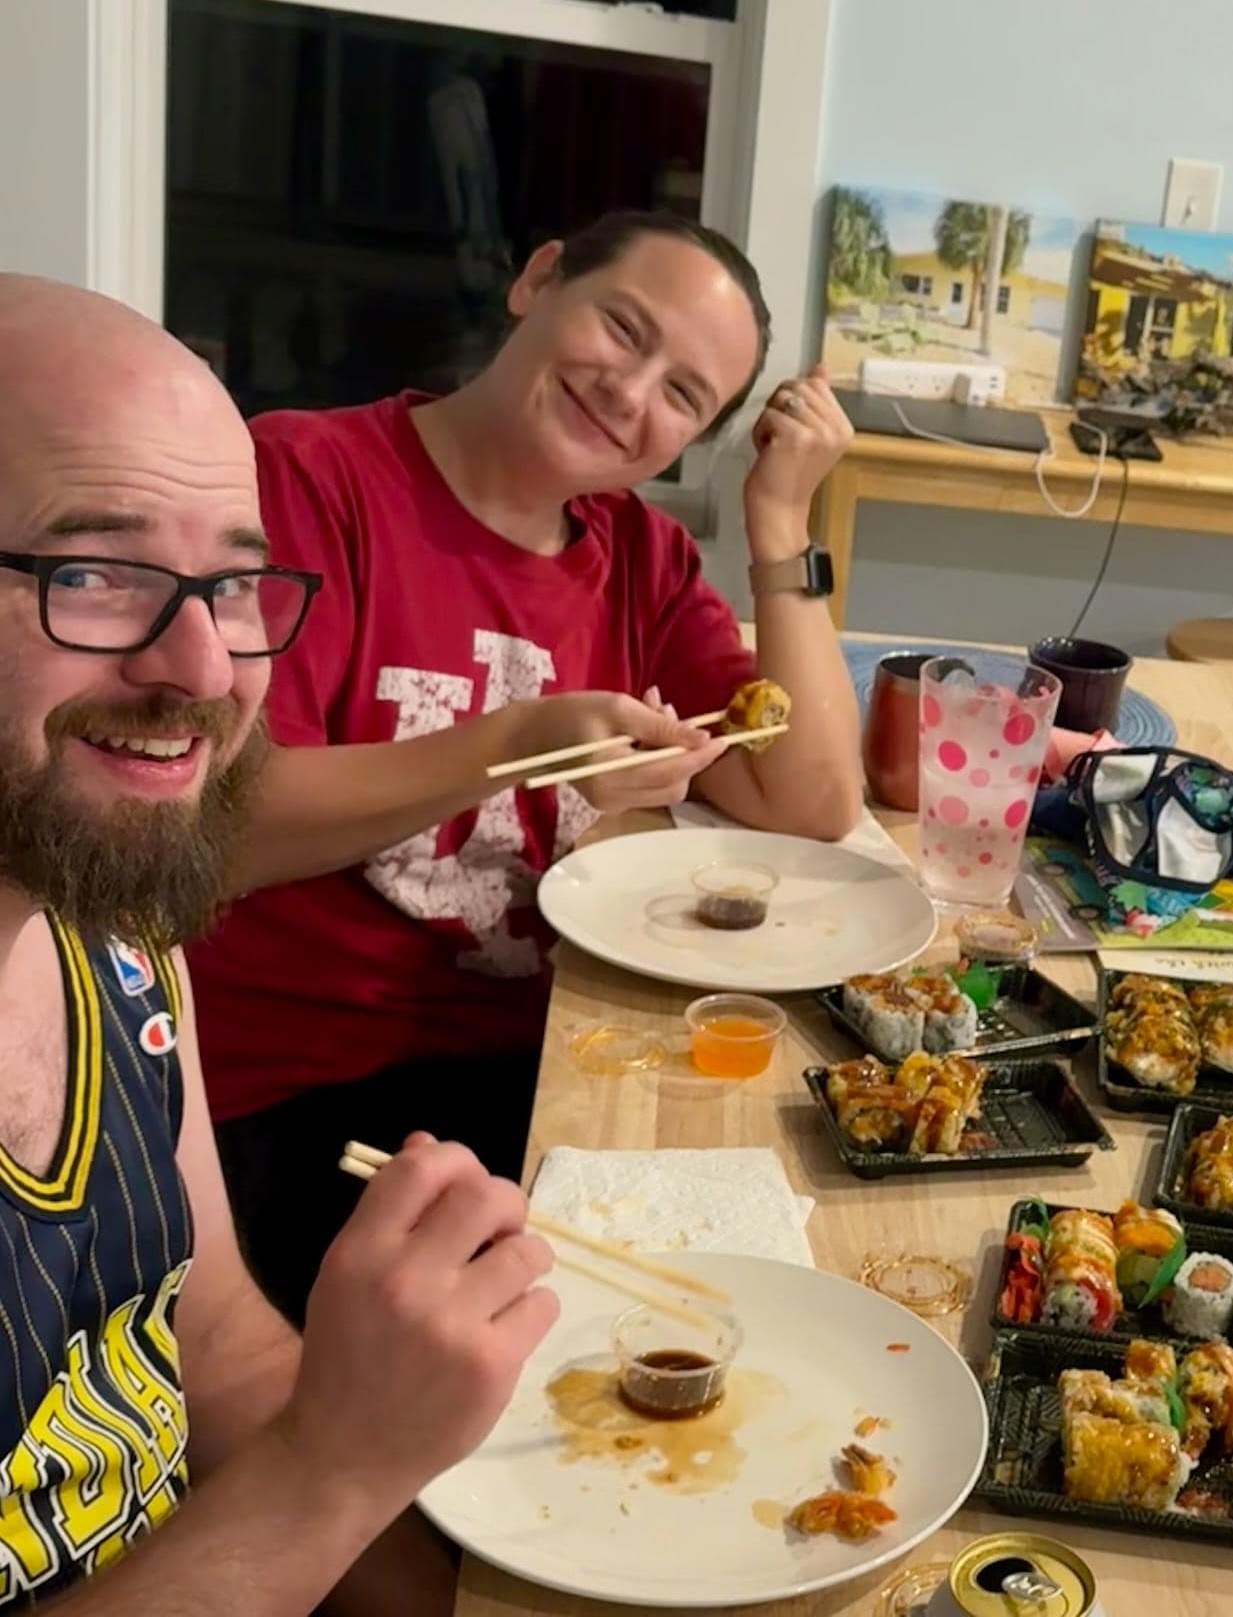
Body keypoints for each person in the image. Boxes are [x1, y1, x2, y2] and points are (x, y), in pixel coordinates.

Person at [0, 275, 580, 1611]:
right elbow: (301, 1442)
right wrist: (337, 1462)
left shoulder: (118, 927)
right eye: (94, 572)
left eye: (238, 584)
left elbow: (219, 1353)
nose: (205, 671)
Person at [192, 210, 862, 1323]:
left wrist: (779, 516)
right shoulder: (306, 478)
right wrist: (513, 745)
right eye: (622, 326)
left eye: (684, 394)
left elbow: (809, 800)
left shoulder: (639, 557)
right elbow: (218, 828)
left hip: (545, 1067)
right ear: (538, 278)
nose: (631, 389)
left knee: (775, 1284)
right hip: (297, 1095)